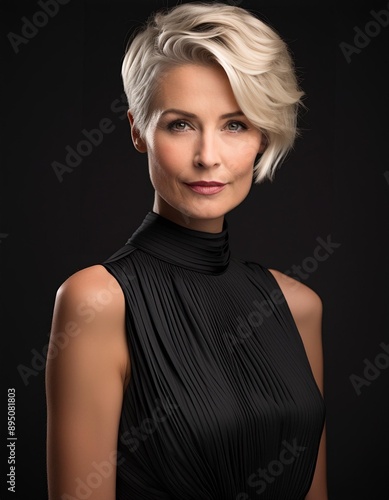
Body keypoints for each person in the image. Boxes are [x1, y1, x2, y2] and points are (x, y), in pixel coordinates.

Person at [46, 2, 327, 499]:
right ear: (138, 130)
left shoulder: (297, 306)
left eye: (235, 124)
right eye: (180, 124)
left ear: (263, 135)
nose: (208, 156)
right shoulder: (97, 301)